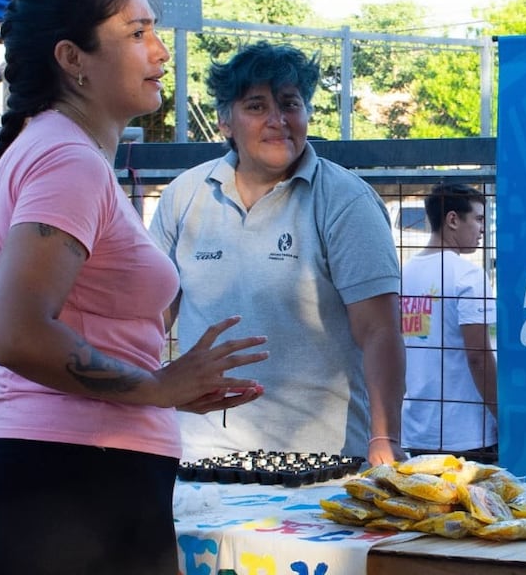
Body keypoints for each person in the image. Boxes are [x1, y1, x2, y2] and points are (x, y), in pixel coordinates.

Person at [0, 0, 268, 575]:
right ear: (73, 59)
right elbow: (13, 336)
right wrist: (154, 388)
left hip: (58, 478)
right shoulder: (66, 159)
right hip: (75, 484)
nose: (161, 52)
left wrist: (153, 390)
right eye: (138, 32)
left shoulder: (40, 150)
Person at [149, 41, 407, 466]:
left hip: (319, 462)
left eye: (290, 104)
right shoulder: (184, 195)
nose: (277, 121)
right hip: (197, 455)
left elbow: (379, 331)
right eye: (256, 106)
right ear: (224, 121)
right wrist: (143, 393)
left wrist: (385, 439)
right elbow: (152, 317)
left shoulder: (345, 200)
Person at [400, 183, 498, 461]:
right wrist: (502, 415)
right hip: (468, 433)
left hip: (417, 429)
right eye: (478, 219)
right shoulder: (468, 276)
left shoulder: (403, 275)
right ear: (453, 219)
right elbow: (478, 357)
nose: (483, 229)